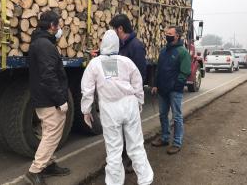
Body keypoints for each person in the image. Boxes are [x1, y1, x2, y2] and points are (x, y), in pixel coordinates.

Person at [81, 30, 153, 185]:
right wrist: (139, 101)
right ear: (117, 44)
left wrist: (86, 110)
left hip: (109, 108)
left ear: (102, 44)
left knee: (114, 149)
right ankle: (145, 180)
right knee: (136, 145)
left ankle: (114, 182)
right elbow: (137, 83)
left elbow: (87, 90)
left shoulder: (95, 63)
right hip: (129, 104)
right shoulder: (126, 61)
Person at [25, 10, 70, 185]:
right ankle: (34, 170)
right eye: (58, 25)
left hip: (43, 96)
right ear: (52, 26)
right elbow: (49, 75)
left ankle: (48, 164)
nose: (59, 29)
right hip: (49, 99)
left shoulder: (40, 42)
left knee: (47, 132)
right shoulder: (45, 45)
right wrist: (60, 100)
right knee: (52, 134)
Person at [109, 14, 147, 173]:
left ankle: (133, 161)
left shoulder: (136, 46)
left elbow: (140, 75)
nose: (112, 33)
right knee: (120, 130)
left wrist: (135, 98)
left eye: (113, 29)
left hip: (129, 97)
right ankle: (123, 157)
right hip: (119, 96)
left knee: (131, 131)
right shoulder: (120, 46)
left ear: (120, 29)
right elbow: (113, 69)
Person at [151, 26, 191, 155]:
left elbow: (185, 72)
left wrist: (176, 86)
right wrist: (155, 84)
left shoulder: (182, 52)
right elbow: (159, 69)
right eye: (166, 33)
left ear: (177, 36)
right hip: (162, 90)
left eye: (169, 33)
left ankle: (177, 143)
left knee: (177, 117)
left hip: (174, 91)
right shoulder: (163, 51)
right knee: (163, 115)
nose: (166, 35)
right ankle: (164, 138)